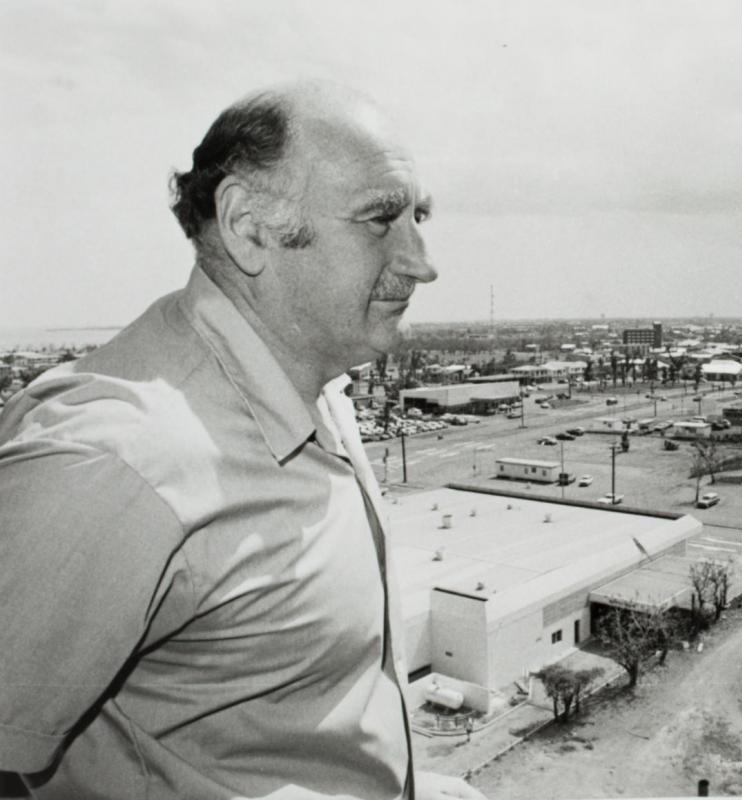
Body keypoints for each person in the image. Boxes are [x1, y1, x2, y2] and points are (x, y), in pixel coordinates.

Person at [0, 82, 486, 800]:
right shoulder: (113, 462)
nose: (422, 260)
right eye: (381, 219)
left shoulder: (314, 388)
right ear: (248, 225)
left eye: (418, 215)